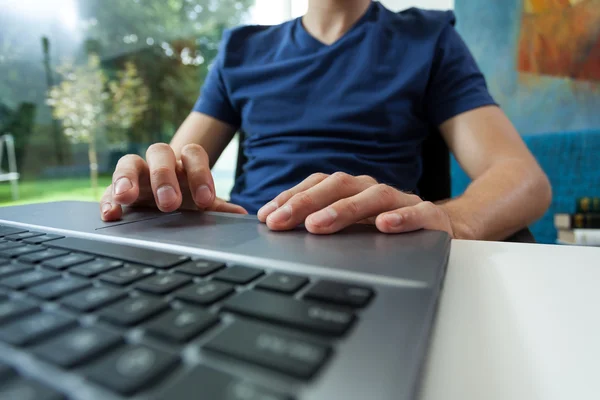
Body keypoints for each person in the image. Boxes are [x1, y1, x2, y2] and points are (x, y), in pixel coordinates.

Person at [100, 0, 552, 241]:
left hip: (372, 245)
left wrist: (455, 222)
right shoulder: (239, 51)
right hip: (246, 242)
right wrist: (160, 190)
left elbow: (522, 179)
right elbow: (179, 166)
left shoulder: (430, 39)